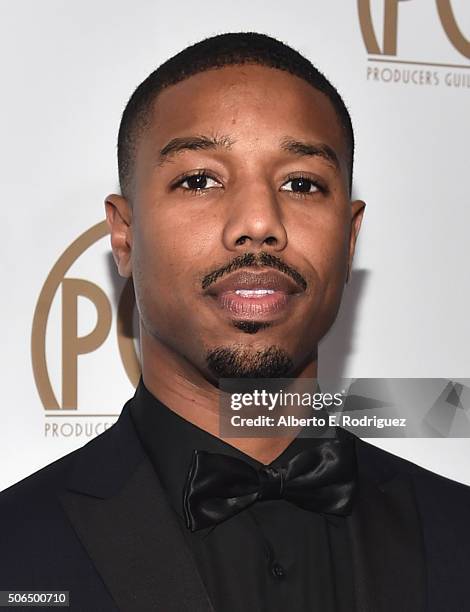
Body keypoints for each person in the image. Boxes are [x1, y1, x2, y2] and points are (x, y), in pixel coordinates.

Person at [1, 31, 469, 612]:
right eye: (199, 180)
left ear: (349, 239)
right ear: (124, 234)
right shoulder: (13, 554)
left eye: (301, 183)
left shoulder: (458, 532)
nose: (257, 222)